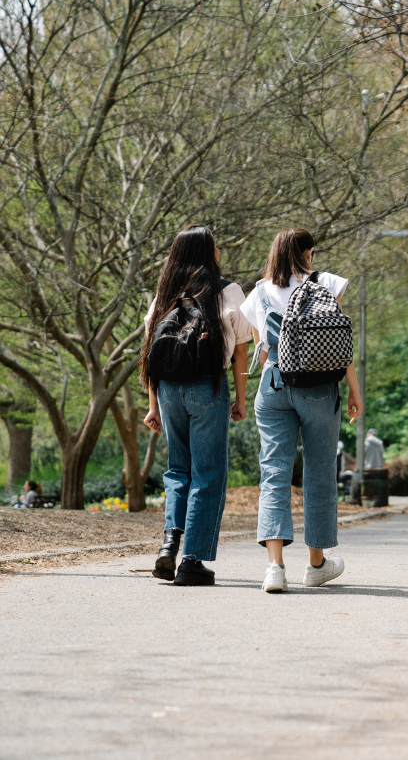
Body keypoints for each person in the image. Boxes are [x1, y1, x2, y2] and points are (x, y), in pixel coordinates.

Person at [241, 228, 363, 593]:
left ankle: (274, 568)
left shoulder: (259, 292)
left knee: (274, 472)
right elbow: (341, 345)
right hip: (320, 389)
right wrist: (354, 391)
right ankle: (315, 564)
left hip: (273, 384)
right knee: (320, 474)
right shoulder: (328, 283)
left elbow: (257, 342)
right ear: (309, 252)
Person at [143, 224, 251, 586]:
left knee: (178, 470)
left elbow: (150, 354)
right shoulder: (227, 290)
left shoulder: (164, 294)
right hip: (208, 386)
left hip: (168, 390)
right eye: (215, 246)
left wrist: (153, 405)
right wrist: (240, 398)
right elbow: (239, 350)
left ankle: (168, 546)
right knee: (208, 474)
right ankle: (192, 561)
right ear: (209, 253)